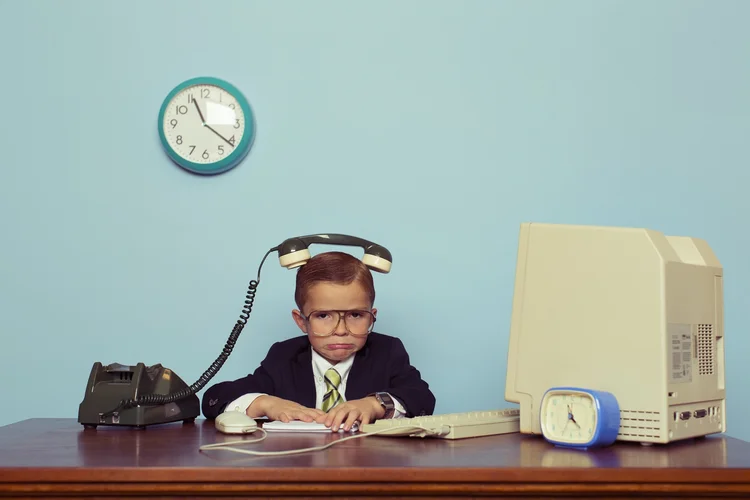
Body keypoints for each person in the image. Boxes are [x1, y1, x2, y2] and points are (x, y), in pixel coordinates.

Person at [201, 251, 436, 432]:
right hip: (299, 470)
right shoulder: (284, 357)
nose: (341, 330)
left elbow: (422, 397)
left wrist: (376, 404)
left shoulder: (387, 351)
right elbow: (214, 398)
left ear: (371, 316)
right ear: (301, 321)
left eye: (355, 315)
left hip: (368, 467)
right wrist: (266, 403)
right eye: (323, 316)